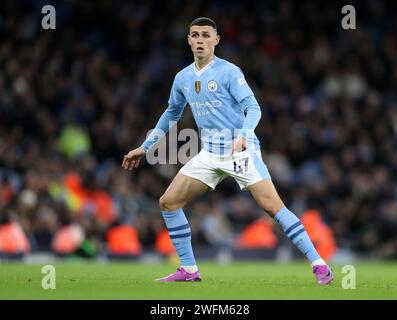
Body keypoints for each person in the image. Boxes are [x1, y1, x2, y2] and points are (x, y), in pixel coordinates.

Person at [122, 17, 334, 285]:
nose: (200, 40)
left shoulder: (229, 72)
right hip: (209, 153)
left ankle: (319, 264)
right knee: (168, 202)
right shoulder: (183, 78)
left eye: (205, 35)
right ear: (188, 39)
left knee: (272, 206)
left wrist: (244, 136)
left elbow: (253, 108)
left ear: (216, 40)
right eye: (195, 35)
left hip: (239, 150)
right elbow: (171, 114)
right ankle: (188, 270)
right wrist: (145, 147)